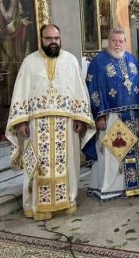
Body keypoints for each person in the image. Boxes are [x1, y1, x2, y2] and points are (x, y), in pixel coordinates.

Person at [6, 25, 95, 221]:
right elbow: (21, 91)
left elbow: (79, 90)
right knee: (37, 165)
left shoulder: (71, 61)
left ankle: (67, 201)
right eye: (49, 38)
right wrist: (20, 122)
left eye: (56, 38)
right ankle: (37, 206)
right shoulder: (29, 62)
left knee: (68, 164)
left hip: (67, 124)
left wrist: (80, 117)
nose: (53, 42)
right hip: (36, 126)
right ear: (41, 39)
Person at [86, 28, 139, 200]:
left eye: (121, 41)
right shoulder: (98, 62)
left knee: (130, 151)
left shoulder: (132, 60)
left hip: (132, 116)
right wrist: (99, 115)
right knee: (112, 154)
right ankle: (111, 188)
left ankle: (132, 185)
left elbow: (138, 87)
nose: (117, 44)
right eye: (114, 41)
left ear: (125, 42)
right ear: (108, 41)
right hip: (110, 117)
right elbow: (93, 89)